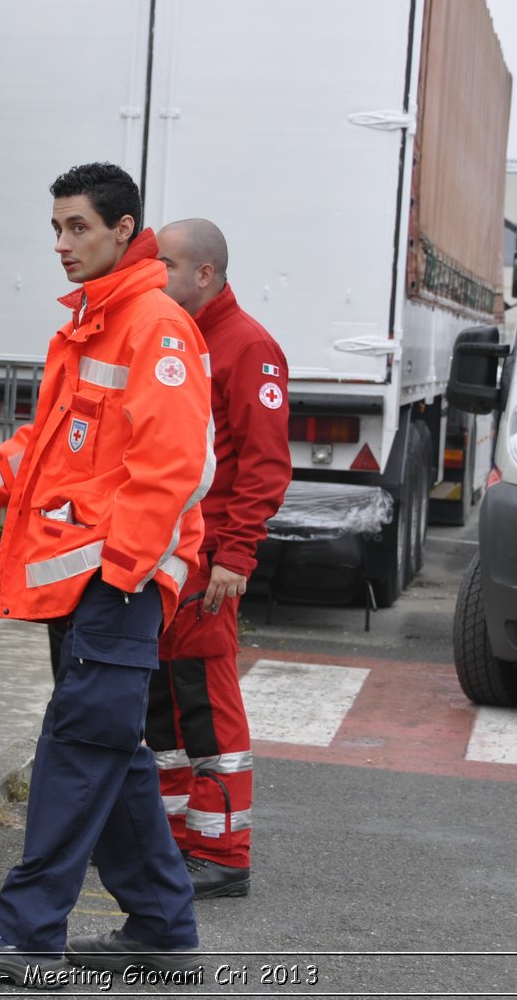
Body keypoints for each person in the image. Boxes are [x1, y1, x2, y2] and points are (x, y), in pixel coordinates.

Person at [0, 162, 214, 984]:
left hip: (114, 584)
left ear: (124, 229)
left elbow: (174, 467)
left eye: (78, 227)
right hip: (89, 581)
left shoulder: (153, 326)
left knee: (77, 752)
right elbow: (60, 443)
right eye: (55, 227)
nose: (61, 243)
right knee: (109, 752)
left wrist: (123, 574)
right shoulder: (96, 321)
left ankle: (24, 934)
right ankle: (161, 924)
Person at [149, 218, 290, 900]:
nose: (155, 276)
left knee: (207, 708)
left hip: (209, 564)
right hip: (170, 557)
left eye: (166, 265)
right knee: (168, 708)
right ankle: (175, 838)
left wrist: (237, 555)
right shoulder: (177, 336)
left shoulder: (248, 346)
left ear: (203, 273)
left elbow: (264, 467)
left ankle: (223, 849)